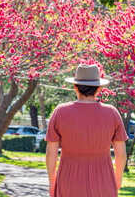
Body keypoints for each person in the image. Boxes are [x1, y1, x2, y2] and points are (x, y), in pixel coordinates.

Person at [45, 64, 128, 197]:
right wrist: (118, 178)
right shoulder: (112, 113)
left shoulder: (60, 112)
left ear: (75, 87)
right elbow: (121, 154)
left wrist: (52, 181)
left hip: (68, 181)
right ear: (99, 89)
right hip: (104, 181)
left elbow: (51, 153)